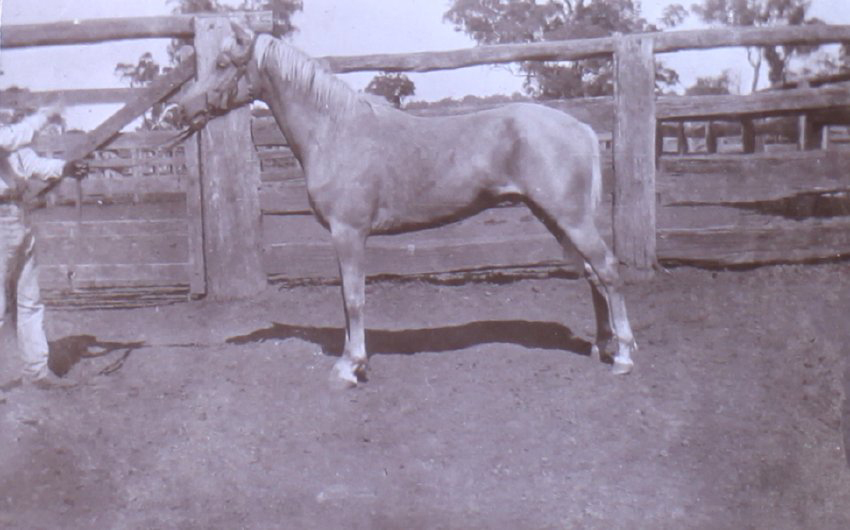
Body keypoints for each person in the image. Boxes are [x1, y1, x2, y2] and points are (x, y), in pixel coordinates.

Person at [0, 105, 88, 390]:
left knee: (30, 299)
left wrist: (64, 168)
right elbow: (12, 138)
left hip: (19, 215)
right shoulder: (7, 135)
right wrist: (44, 114)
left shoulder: (10, 137)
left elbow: (31, 163)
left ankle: (36, 372)